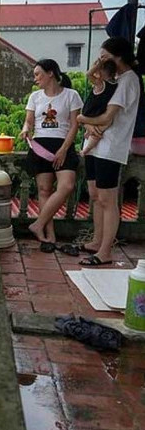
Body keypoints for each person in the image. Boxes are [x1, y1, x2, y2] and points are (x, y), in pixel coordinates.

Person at [77, 37, 142, 266]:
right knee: (95, 195)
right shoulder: (114, 80)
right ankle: (96, 241)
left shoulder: (128, 81)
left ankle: (105, 251)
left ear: (119, 57)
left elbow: (107, 117)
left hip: (111, 147)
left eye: (105, 56)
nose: (101, 60)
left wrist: (82, 119)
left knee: (108, 199)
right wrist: (88, 124)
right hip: (97, 145)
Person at [20, 59, 83, 252]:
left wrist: (64, 149)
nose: (35, 78)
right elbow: (29, 122)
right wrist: (25, 130)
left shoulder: (71, 95)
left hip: (63, 145)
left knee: (66, 186)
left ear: (51, 74)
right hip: (40, 145)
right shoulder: (35, 97)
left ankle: (38, 224)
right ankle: (49, 235)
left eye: (38, 74)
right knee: (44, 190)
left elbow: (74, 125)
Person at [80, 58, 119, 156]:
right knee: (98, 131)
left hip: (92, 113)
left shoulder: (101, 84)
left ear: (100, 72)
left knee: (96, 134)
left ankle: (86, 149)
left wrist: (96, 66)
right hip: (97, 113)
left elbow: (88, 74)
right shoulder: (115, 85)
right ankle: (88, 133)